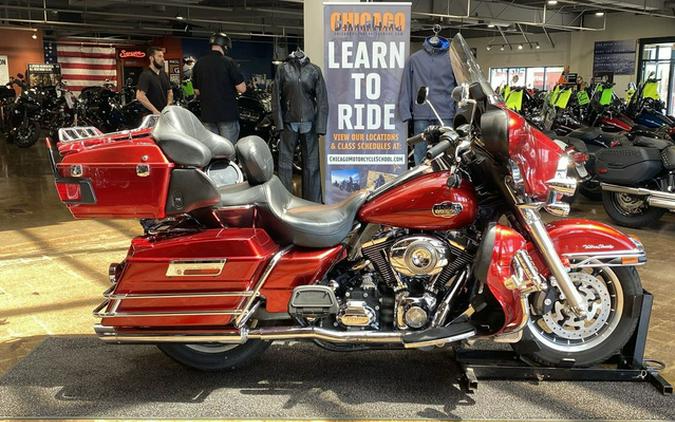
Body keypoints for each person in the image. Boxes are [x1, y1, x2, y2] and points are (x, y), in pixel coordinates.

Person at [192, 32, 246, 143]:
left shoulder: (199, 63)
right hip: (227, 114)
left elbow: (197, 91)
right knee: (228, 150)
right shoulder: (228, 62)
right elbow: (242, 88)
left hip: (208, 114)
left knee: (213, 149)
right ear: (225, 46)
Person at [136, 47, 172, 115]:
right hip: (152, 116)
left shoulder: (163, 74)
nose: (163, 59)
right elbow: (140, 96)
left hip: (164, 114)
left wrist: (168, 106)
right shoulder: (146, 75)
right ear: (151, 58)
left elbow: (169, 91)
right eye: (159, 56)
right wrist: (154, 111)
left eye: (163, 56)